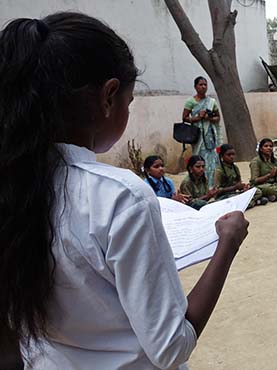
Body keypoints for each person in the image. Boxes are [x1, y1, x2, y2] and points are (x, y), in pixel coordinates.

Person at [0, 12, 249, 369]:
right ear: (109, 96)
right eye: (129, 103)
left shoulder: (14, 186)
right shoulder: (119, 196)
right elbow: (170, 347)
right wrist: (227, 243)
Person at [181, 76, 221, 186]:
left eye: (205, 85)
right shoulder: (190, 101)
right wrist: (197, 118)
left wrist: (209, 118)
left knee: (212, 160)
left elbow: (218, 117)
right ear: (195, 87)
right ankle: (198, 184)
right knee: (199, 159)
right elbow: (184, 118)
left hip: (210, 136)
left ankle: (211, 185)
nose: (203, 87)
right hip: (198, 136)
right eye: (200, 84)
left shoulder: (211, 102)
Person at [214, 144, 267, 208]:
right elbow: (217, 191)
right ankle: (253, 202)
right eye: (229, 155)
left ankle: (246, 204)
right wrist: (234, 187)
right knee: (233, 199)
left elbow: (238, 183)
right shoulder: (219, 171)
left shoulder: (235, 168)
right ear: (222, 156)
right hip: (225, 196)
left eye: (233, 154)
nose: (232, 157)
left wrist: (244, 187)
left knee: (257, 191)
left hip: (236, 193)